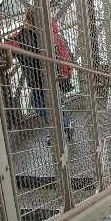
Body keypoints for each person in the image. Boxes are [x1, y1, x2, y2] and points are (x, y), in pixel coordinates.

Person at [14, 8, 72, 142]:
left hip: (47, 78)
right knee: (48, 105)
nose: (25, 22)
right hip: (49, 78)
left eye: (27, 19)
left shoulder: (33, 35)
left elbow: (27, 55)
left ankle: (59, 127)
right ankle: (62, 126)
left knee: (43, 104)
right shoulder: (45, 33)